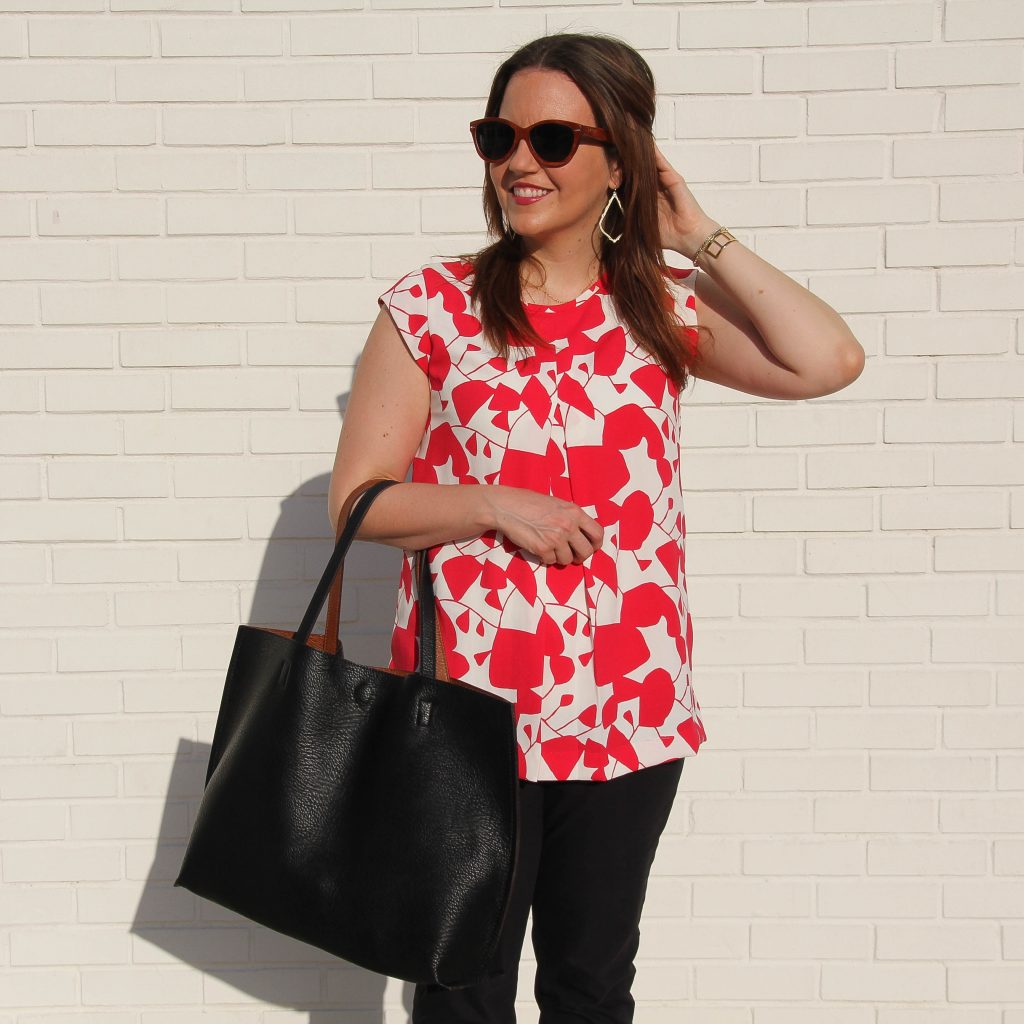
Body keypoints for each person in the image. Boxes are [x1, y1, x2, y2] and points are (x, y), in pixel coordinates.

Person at [328, 31, 864, 1024]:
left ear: (620, 157)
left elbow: (827, 360)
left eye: (553, 138)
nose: (519, 162)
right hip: (469, 715)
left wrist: (696, 229)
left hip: (629, 706)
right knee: (460, 989)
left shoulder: (656, 303)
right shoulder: (435, 304)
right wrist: (492, 504)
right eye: (500, 136)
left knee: (589, 986)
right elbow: (358, 500)